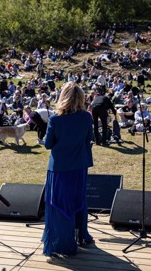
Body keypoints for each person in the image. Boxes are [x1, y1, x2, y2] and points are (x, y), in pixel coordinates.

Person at [42, 82, 93, 257]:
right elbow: (89, 140)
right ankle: (81, 235)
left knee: (59, 204)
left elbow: (48, 144)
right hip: (79, 167)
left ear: (62, 97)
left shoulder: (55, 119)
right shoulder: (87, 117)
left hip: (59, 169)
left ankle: (62, 244)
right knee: (78, 200)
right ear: (81, 98)